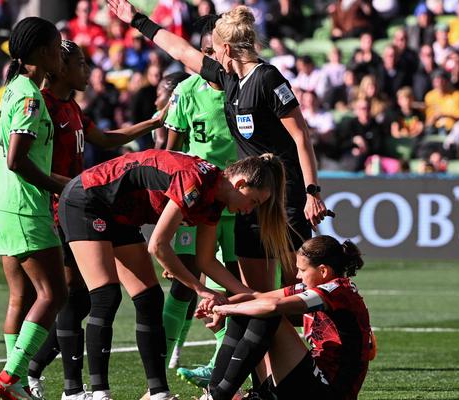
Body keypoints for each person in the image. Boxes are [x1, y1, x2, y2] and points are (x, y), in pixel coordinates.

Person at [108, 0, 327, 291]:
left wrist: (312, 192)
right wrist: (137, 20)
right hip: (249, 199)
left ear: (226, 49)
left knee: (297, 292)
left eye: (214, 50)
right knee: (258, 295)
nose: (209, 56)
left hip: (283, 197)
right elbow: (181, 51)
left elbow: (301, 136)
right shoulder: (229, 79)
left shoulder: (268, 78)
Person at [58, 150, 289, 400]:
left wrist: (251, 295)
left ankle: (159, 397)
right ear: (239, 184)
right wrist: (201, 289)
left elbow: (205, 261)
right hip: (86, 200)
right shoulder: (197, 182)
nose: (250, 210)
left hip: (119, 213)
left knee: (150, 299)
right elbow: (158, 245)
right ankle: (100, 399)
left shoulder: (215, 198)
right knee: (106, 296)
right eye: (253, 201)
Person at [24, 40, 172, 400]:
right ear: (59, 67)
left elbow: (106, 139)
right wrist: (72, 188)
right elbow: (26, 162)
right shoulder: (41, 105)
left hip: (86, 201)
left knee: (81, 297)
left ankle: (53, 380)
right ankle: (60, 383)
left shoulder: (71, 107)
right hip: (64, 208)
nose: (88, 70)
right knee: (78, 295)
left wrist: (153, 123)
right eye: (80, 63)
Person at [168, 235, 375, 400]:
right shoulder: (316, 286)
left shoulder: (338, 289)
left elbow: (272, 306)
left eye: (302, 270)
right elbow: (257, 297)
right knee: (249, 310)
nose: (298, 275)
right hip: (305, 399)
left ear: (323, 271)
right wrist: (220, 303)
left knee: (265, 314)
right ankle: (216, 397)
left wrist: (227, 309)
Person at [147, 15, 240, 399]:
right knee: (183, 287)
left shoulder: (240, 90)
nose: (207, 62)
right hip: (194, 199)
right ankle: (160, 376)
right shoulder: (184, 92)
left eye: (212, 54)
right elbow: (173, 149)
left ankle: (222, 371)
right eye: (201, 54)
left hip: (237, 200)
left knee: (233, 284)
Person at [0, 17, 67, 400]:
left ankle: (15, 391)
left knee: (21, 296)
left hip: (2, 204)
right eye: (55, 46)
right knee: (54, 293)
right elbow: (18, 160)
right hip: (23, 207)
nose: (60, 53)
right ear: (39, 53)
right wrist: (61, 187)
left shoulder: (15, 88)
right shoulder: (30, 97)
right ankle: (9, 378)